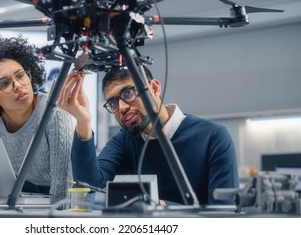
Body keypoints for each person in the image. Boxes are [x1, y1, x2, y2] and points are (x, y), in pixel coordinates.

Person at [57, 65, 238, 205]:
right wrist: (83, 122)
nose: (122, 107)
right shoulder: (125, 141)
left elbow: (224, 214)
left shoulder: (213, 137)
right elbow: (89, 185)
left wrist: (162, 208)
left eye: (128, 93)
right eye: (112, 103)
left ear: (154, 88)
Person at [0, 35, 73, 204]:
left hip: (70, 193)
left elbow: (63, 187)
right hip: (24, 193)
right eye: (5, 84)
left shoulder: (54, 112)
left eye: (20, 75)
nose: (18, 86)